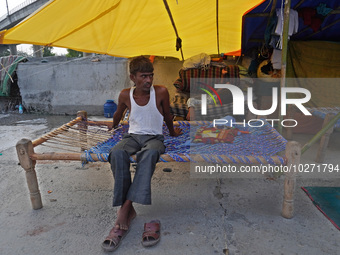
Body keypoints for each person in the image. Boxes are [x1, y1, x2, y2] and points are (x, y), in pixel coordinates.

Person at [102, 56, 182, 252]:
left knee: (149, 155)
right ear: (132, 77)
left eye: (151, 75)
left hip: (154, 138)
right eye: (143, 76)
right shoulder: (125, 95)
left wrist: (171, 132)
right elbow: (118, 114)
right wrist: (112, 126)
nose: (148, 80)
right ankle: (128, 209)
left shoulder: (161, 92)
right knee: (117, 153)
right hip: (132, 137)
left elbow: (167, 115)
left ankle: (125, 209)